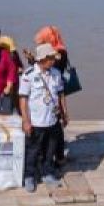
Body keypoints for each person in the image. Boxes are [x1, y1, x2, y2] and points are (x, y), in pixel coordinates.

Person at [18, 43, 68, 192]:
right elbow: (23, 99)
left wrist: (65, 113)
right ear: (43, 59)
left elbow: (61, 94)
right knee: (33, 150)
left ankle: (47, 173)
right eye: (51, 58)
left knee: (50, 150)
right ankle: (29, 176)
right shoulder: (29, 75)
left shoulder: (56, 74)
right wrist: (26, 121)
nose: (54, 61)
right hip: (36, 121)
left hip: (52, 120)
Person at [32, 25, 75, 164]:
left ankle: (58, 156)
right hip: (50, 92)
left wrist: (35, 61)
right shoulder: (56, 49)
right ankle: (53, 155)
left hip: (55, 92)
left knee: (56, 128)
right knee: (53, 128)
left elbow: (51, 68)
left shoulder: (59, 53)